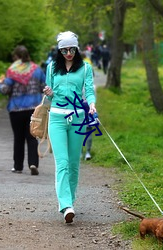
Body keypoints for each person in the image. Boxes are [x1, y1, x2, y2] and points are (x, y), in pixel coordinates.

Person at [43, 31, 96, 223]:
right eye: (64, 50)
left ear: (77, 48)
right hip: (56, 118)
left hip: (78, 118)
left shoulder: (85, 68)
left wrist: (91, 103)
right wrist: (48, 92)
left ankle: (70, 201)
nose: (68, 53)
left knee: (74, 163)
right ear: (59, 50)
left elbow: (89, 90)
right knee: (62, 163)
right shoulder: (51, 68)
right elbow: (49, 97)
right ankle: (65, 205)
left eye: (72, 49)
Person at [0, 45, 46, 175]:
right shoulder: (37, 70)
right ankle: (33, 163)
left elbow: (5, 90)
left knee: (18, 138)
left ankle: (18, 166)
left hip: (16, 109)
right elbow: (44, 87)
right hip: (33, 109)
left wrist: (0, 83)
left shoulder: (12, 71)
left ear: (16, 57)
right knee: (32, 137)